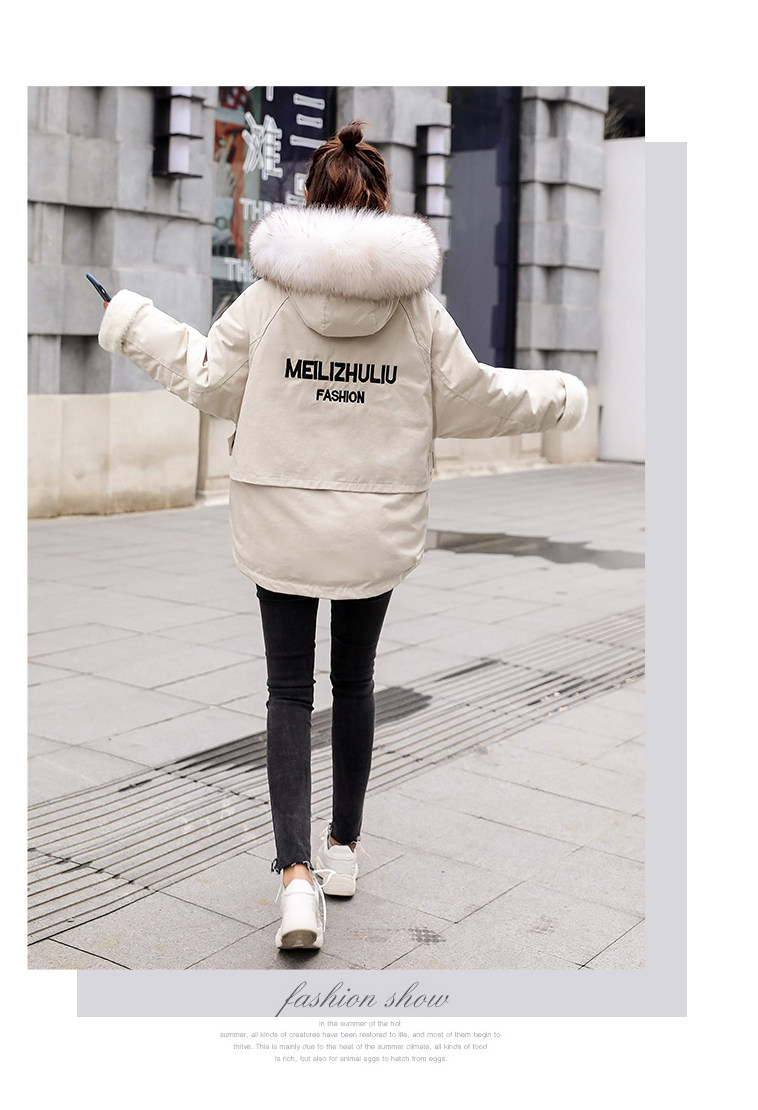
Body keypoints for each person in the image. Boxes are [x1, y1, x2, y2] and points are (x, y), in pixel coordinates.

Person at [97, 121, 588, 951]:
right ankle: (345, 850)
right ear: (380, 205)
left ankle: (295, 881)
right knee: (354, 682)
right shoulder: (418, 312)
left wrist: (131, 319)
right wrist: (562, 396)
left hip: (279, 519)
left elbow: (209, 378)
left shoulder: (267, 301)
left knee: (288, 692)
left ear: (310, 202)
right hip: (375, 523)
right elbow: (478, 399)